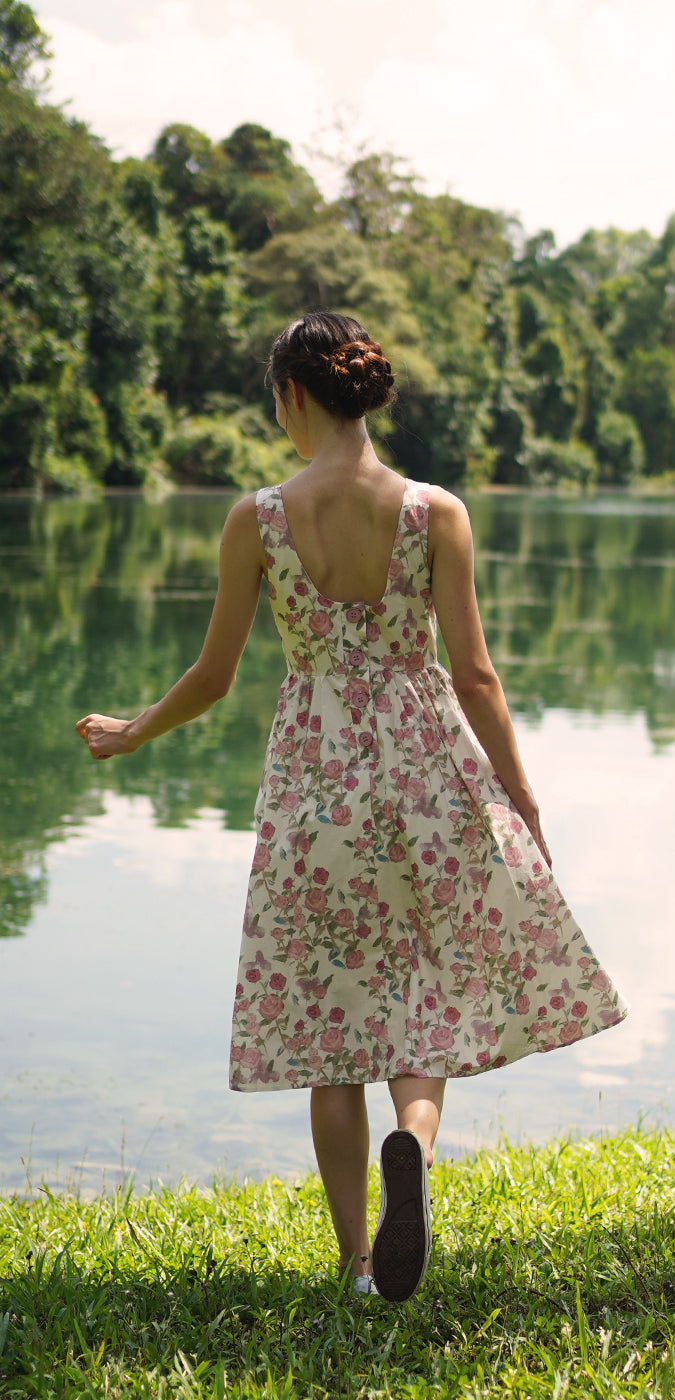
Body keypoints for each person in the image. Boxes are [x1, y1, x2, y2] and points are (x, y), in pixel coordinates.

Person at [76, 311, 628, 1303]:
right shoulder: (435, 511)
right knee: (423, 995)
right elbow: (476, 673)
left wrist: (130, 730)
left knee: (333, 1027)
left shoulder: (259, 516)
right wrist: (519, 791)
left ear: (294, 394)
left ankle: (355, 1261)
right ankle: (409, 1143)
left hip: (316, 780)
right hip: (425, 772)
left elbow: (212, 676)